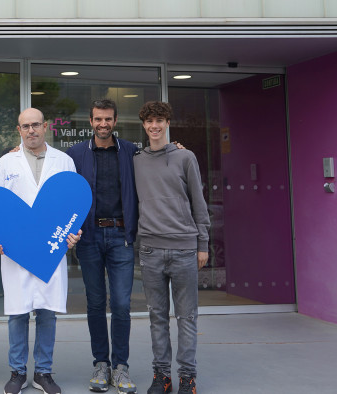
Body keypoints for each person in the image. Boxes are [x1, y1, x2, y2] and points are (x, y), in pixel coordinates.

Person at [0, 108, 81, 394]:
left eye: (36, 125)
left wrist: (73, 233)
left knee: (46, 312)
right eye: (25, 126)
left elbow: (73, 205)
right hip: (17, 250)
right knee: (17, 312)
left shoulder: (64, 161)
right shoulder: (5, 163)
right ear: (19, 130)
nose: (31, 130)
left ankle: (43, 372)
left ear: (46, 127)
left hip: (50, 248)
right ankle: (17, 372)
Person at [134, 101, 210, 394]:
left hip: (184, 250)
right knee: (157, 318)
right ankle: (161, 376)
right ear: (143, 124)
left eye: (160, 120)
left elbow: (198, 203)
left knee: (187, 317)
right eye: (149, 121)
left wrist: (202, 243)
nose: (154, 126)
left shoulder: (185, 157)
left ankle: (187, 377)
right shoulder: (136, 158)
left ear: (167, 123)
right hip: (151, 250)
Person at [65, 99, 139, 393]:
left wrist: (177, 149)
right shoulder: (76, 153)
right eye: (98, 119)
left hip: (121, 236)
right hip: (90, 237)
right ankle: (101, 364)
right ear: (91, 121)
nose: (103, 124)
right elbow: (54, 176)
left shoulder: (131, 152)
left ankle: (121, 366)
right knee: (95, 303)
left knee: (121, 304)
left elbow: (158, 159)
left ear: (115, 121)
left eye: (108, 119)